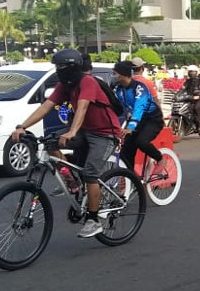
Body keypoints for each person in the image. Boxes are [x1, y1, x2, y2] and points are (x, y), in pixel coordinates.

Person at [11, 49, 121, 238]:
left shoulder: (88, 82)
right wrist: (22, 126)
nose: (59, 70)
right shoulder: (65, 85)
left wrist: (72, 131)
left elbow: (83, 106)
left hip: (105, 133)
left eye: (62, 67)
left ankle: (93, 220)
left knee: (90, 173)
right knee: (50, 144)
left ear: (73, 67)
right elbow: (46, 106)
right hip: (84, 131)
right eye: (57, 67)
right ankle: (72, 182)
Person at [112, 60, 167, 176]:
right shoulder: (118, 89)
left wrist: (130, 127)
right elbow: (115, 108)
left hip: (152, 119)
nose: (114, 76)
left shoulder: (140, 88)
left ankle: (160, 159)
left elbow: (139, 108)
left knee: (141, 142)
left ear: (124, 75)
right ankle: (132, 180)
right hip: (136, 121)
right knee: (125, 153)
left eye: (115, 74)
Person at [182, 65, 200, 129]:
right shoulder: (188, 81)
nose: (191, 73)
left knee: (195, 108)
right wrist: (176, 95)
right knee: (183, 108)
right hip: (190, 98)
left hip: (198, 99)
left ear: (196, 72)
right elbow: (182, 89)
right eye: (190, 72)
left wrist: (199, 95)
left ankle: (199, 124)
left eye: (193, 72)